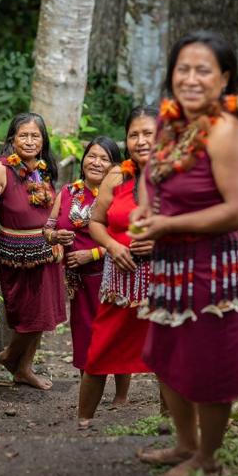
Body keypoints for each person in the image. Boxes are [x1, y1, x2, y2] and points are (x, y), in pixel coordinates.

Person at [129, 30, 238, 476]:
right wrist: (147, 206)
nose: (190, 78)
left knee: (208, 361)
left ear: (224, 78)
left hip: (214, 265)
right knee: (167, 355)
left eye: (202, 69)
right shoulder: (172, 125)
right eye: (182, 68)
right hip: (171, 264)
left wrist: (166, 226)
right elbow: (150, 174)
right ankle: (185, 444)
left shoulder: (227, 131)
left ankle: (207, 458)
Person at [0, 113, 66, 390]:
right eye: (24, 135)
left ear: (43, 140)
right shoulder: (1, 169)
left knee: (43, 317)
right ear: (12, 139)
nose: (30, 141)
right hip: (19, 257)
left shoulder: (43, 168)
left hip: (48, 252)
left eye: (36, 136)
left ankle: (23, 368)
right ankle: (9, 357)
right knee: (28, 317)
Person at [77, 110, 156, 424]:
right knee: (100, 352)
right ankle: (83, 422)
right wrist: (111, 246)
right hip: (121, 282)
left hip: (163, 281)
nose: (141, 141)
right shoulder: (116, 176)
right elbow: (95, 222)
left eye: (148, 133)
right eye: (134, 134)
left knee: (167, 355)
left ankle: (168, 425)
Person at [46, 137, 117, 390]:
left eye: (104, 158)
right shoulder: (67, 192)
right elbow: (49, 226)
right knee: (84, 332)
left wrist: (93, 254)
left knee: (113, 334)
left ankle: (121, 397)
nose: (96, 163)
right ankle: (90, 390)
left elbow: (125, 240)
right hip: (78, 281)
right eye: (91, 156)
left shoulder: (118, 195)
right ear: (83, 159)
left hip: (109, 275)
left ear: (114, 166)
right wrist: (55, 236)